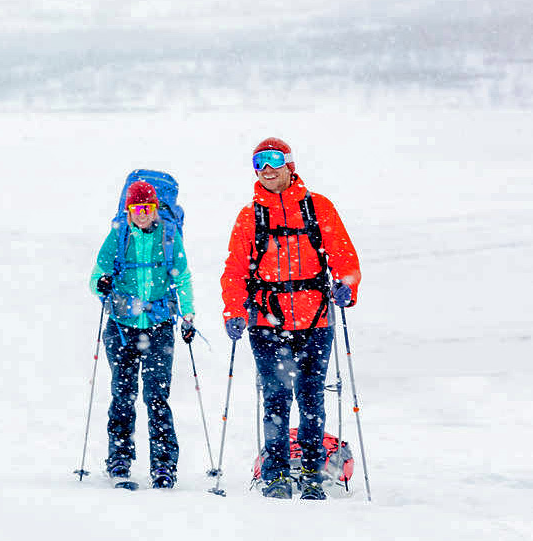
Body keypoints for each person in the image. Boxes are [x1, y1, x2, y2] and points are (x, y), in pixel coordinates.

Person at [220, 138, 361, 500]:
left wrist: (346, 286)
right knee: (276, 398)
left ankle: (314, 474)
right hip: (267, 323)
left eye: (274, 161)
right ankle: (276, 474)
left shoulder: (319, 208)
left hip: (316, 321)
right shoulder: (250, 216)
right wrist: (235, 310)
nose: (267, 170)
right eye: (259, 164)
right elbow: (235, 271)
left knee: (312, 397)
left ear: (289, 164)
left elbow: (344, 257)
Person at [90, 180, 195, 489]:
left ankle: (164, 465)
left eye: (147, 208)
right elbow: (96, 276)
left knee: (157, 397)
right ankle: (119, 458)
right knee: (123, 394)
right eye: (136, 209)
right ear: (129, 211)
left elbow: (183, 276)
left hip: (160, 327)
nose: (142, 215)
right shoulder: (119, 237)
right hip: (122, 328)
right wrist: (102, 284)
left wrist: (187, 315)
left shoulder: (169, 237)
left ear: (155, 209)